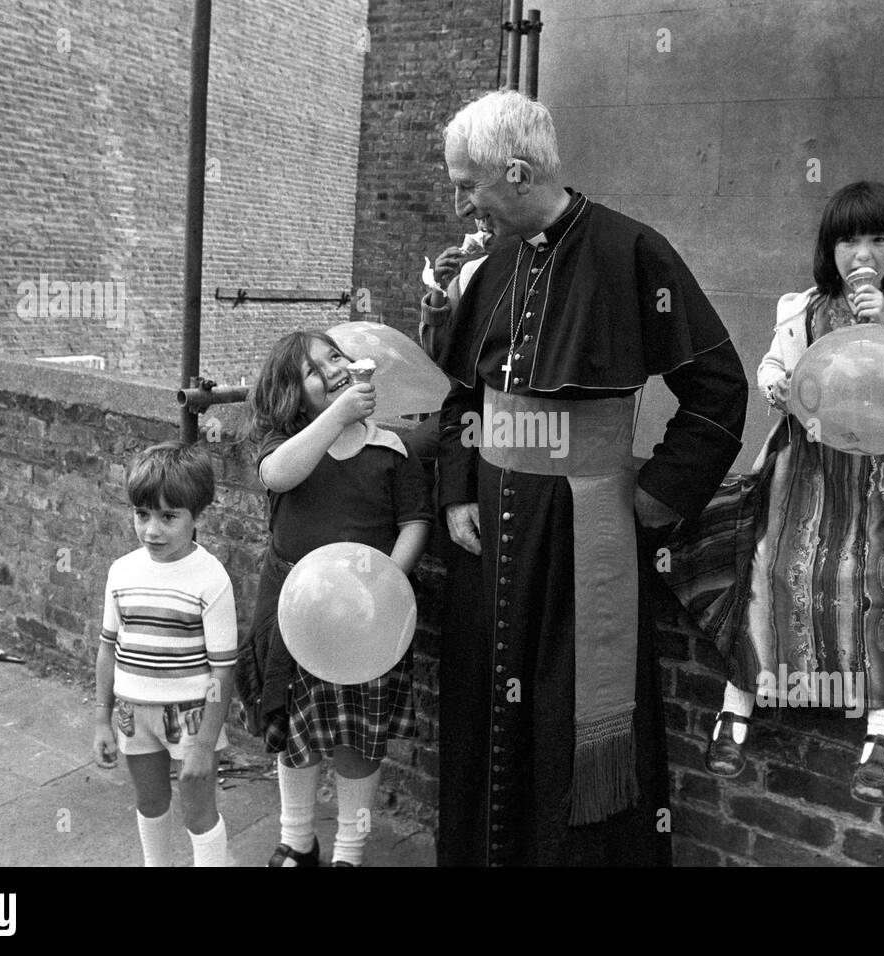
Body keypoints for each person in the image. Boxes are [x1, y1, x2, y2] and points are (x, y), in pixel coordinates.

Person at [433, 90, 748, 866]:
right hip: (492, 532)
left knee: (571, 718)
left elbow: (719, 391)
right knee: (487, 713)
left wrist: (653, 497)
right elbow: (460, 396)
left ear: (515, 171)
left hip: (583, 537)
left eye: (468, 183)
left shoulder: (633, 252)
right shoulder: (490, 266)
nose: (461, 200)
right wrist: (457, 488)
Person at [668, 181, 884, 806]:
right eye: (850, 239)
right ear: (830, 247)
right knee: (769, 564)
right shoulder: (802, 308)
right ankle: (737, 704)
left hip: (875, 475)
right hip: (805, 466)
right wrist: (778, 386)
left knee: (876, 577)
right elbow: (770, 366)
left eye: (878, 238)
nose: (863, 253)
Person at [234, 330, 432, 867]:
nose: (336, 368)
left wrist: (388, 582)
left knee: (357, 743)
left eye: (338, 357)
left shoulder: (391, 449)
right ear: (290, 395)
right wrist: (337, 418)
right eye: (316, 369)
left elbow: (415, 521)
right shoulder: (287, 448)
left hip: (367, 624)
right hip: (297, 620)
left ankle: (349, 850)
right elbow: (278, 474)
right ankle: (297, 840)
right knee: (297, 738)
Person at [92, 442, 237, 867]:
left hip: (192, 716)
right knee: (150, 803)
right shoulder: (122, 571)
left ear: (197, 515)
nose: (152, 530)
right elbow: (107, 647)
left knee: (198, 811)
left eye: (168, 516)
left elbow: (221, 672)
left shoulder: (211, 579)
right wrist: (102, 716)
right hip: (133, 713)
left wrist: (205, 742)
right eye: (143, 514)